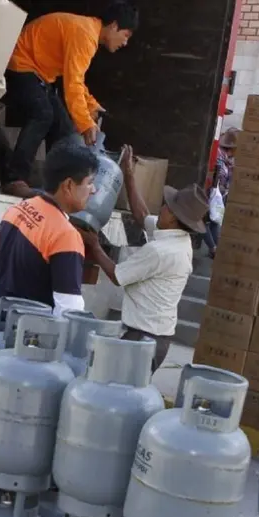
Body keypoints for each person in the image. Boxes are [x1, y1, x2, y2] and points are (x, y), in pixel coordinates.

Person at [80, 146, 204, 373]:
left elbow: (117, 276)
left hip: (143, 339)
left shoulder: (161, 251)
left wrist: (94, 243)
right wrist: (128, 175)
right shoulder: (179, 239)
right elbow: (142, 216)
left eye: (168, 207)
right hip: (154, 338)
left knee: (114, 395)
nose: (163, 207)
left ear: (174, 219)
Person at [1, 1, 139, 197]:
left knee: (63, 129)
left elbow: (75, 78)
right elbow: (72, 84)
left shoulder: (88, 32)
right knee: (44, 114)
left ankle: (56, 187)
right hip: (21, 64)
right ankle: (14, 178)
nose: (125, 42)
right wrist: (86, 124)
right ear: (114, 25)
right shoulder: (85, 35)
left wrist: (91, 105)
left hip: (39, 75)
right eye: (126, 35)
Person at [0, 141, 99, 316]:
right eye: (89, 183)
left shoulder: (18, 209)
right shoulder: (65, 235)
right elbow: (68, 313)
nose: (93, 190)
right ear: (69, 185)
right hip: (29, 336)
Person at [204, 127, 236, 258]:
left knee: (214, 220)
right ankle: (213, 248)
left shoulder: (226, 158)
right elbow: (219, 176)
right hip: (213, 193)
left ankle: (215, 249)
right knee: (206, 221)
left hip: (217, 194)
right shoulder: (221, 157)